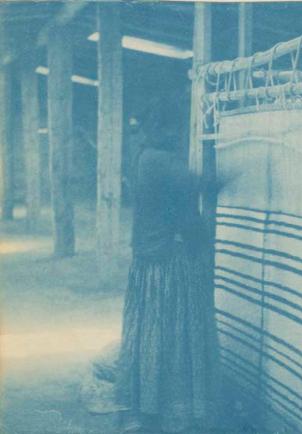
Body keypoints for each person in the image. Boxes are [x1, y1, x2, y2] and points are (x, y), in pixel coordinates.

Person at [82, 107, 224, 434]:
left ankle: (149, 402)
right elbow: (203, 184)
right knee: (171, 330)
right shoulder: (160, 160)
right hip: (165, 262)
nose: (175, 135)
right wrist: (245, 166)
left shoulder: (145, 157)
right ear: (158, 130)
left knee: (152, 331)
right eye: (170, 128)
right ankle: (169, 408)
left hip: (150, 258)